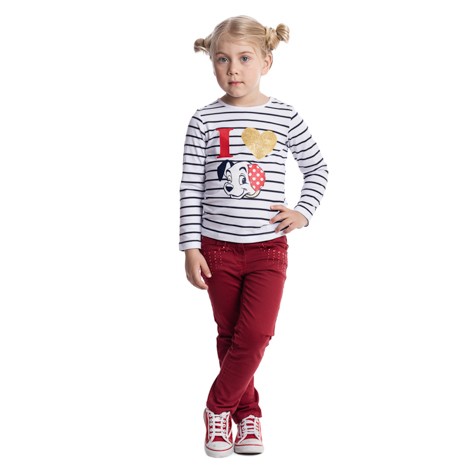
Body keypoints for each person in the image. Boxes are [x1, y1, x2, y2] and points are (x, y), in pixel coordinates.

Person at [179, 15, 328, 457]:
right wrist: (190, 247)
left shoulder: (285, 116)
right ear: (211, 63)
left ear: (266, 62)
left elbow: (317, 168)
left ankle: (217, 406)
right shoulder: (203, 120)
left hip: (268, 249)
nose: (233, 70)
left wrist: (303, 212)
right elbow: (190, 188)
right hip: (217, 249)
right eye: (222, 60)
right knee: (230, 335)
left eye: (244, 59)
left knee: (257, 333)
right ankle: (247, 415)